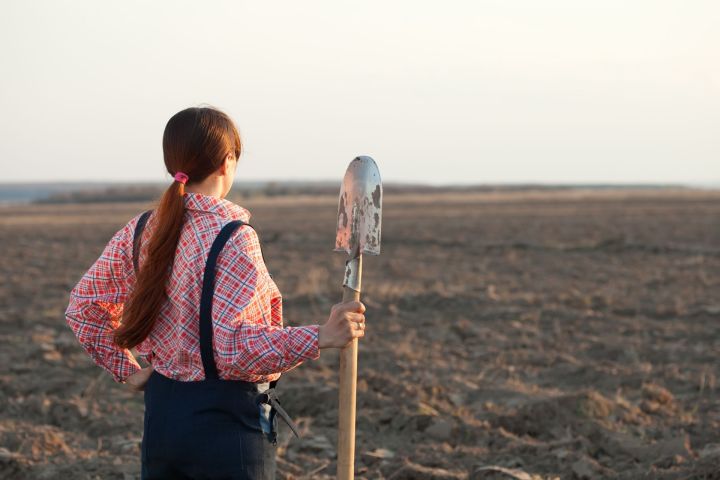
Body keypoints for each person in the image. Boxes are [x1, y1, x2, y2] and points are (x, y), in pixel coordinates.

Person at [64, 106, 366, 479]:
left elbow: (83, 307)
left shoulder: (141, 229)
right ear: (227, 162)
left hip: (161, 421)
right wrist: (321, 336)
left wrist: (128, 370)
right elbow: (234, 349)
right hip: (225, 432)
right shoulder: (233, 237)